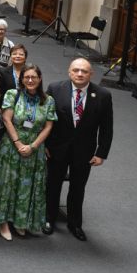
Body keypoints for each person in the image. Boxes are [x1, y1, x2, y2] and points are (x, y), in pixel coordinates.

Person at [44, 58, 113, 240]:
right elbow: (45, 120)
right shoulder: (55, 89)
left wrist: (101, 153)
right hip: (57, 149)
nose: (80, 74)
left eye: (84, 71)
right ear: (69, 72)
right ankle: (48, 218)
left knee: (78, 188)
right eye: (76, 70)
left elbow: (107, 127)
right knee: (52, 185)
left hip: (84, 152)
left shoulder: (103, 95)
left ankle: (74, 224)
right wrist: (45, 145)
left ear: (91, 74)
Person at [0, 64, 55, 240]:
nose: (30, 80)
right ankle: (3, 222)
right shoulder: (12, 94)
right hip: (11, 146)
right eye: (26, 77)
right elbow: (7, 119)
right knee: (7, 183)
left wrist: (33, 146)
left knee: (26, 185)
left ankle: (20, 221)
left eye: (34, 77)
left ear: (40, 79)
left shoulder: (48, 100)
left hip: (34, 149)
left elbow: (48, 126)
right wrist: (18, 143)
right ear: (21, 79)